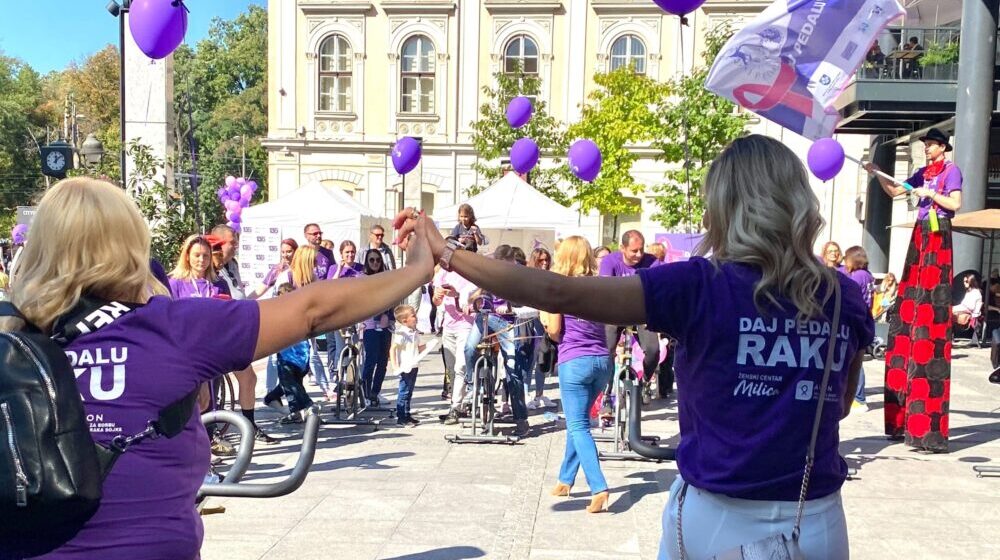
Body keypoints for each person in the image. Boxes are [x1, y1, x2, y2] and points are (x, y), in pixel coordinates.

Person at [396, 134, 872, 558]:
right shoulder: (843, 295)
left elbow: (557, 292)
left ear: (726, 207)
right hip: (814, 522)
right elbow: (841, 403)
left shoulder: (699, 286)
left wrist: (449, 253)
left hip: (720, 519)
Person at [3, 177, 433, 558]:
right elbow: (313, 310)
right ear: (130, 247)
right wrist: (416, 269)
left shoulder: (11, 346)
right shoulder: (174, 328)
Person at [866, 126, 962, 453]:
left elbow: (956, 204)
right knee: (907, 318)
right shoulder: (923, 172)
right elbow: (896, 192)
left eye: (931, 145)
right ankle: (901, 420)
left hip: (938, 234)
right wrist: (877, 173)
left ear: (942, 147)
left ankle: (929, 429)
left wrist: (931, 195)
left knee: (930, 321)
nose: (927, 149)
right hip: (921, 234)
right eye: (926, 145)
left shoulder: (951, 171)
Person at [541, 236, 612, 513]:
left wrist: (546, 322)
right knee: (578, 419)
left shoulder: (559, 289)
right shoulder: (599, 287)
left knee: (579, 426)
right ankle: (565, 479)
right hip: (602, 361)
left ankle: (599, 488)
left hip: (575, 361)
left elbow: (555, 330)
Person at [210, 224, 275, 444]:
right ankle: (211, 433)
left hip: (234, 331)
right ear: (218, 243)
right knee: (211, 387)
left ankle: (249, 425)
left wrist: (267, 283)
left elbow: (242, 298)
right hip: (215, 333)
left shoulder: (232, 266)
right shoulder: (210, 268)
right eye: (232, 242)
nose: (236, 246)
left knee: (248, 377)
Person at [599, 230, 661, 415]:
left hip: (641, 312)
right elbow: (604, 289)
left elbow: (662, 284)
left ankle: (644, 383)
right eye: (634, 251)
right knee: (606, 350)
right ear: (622, 248)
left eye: (641, 250)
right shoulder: (610, 261)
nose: (639, 255)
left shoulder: (652, 262)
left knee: (653, 350)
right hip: (615, 311)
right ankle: (606, 394)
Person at [435, 237, 477, 425]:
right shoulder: (443, 271)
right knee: (451, 369)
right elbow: (437, 300)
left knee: (460, 366)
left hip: (465, 324)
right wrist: (438, 295)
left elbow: (478, 293)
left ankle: (455, 407)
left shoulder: (472, 272)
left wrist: (459, 294)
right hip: (448, 324)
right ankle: (457, 403)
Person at [261, 283, 316, 423]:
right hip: (291, 358)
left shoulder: (298, 313)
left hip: (296, 357)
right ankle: (300, 409)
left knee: (292, 384)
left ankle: (305, 406)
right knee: (290, 385)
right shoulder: (280, 314)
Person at [842, 246, 875, 408]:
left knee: (855, 360)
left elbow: (848, 292)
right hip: (865, 317)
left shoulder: (857, 276)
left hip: (856, 318)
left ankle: (859, 398)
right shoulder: (868, 275)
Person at [361, 249, 395, 405]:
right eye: (372, 260)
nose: (375, 263)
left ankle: (375, 392)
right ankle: (365, 393)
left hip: (385, 324)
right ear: (367, 262)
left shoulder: (386, 278)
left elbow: (393, 297)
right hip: (369, 325)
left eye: (377, 260)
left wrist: (388, 314)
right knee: (371, 360)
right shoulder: (363, 279)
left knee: (382, 362)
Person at [527, 248, 556, 409]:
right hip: (529, 320)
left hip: (544, 320)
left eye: (546, 260)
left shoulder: (550, 275)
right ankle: (526, 393)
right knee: (529, 358)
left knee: (542, 357)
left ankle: (539, 393)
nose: (544, 263)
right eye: (541, 260)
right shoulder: (528, 276)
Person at [390, 304, 425, 426]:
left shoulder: (414, 332)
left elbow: (419, 347)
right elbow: (393, 349)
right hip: (405, 366)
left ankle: (407, 414)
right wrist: (395, 366)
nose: (416, 317)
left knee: (409, 392)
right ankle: (401, 417)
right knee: (404, 392)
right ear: (405, 321)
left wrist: (427, 346)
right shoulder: (402, 333)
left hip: (414, 365)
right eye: (413, 316)